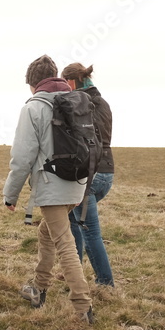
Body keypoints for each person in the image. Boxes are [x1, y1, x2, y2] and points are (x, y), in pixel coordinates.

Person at [3, 55, 94, 323]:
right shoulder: (76, 101)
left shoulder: (33, 108)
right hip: (76, 183)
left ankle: (82, 307)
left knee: (64, 243)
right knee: (47, 233)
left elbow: (22, 158)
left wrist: (10, 194)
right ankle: (38, 288)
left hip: (52, 185)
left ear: (33, 84)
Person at [61, 63, 115, 288]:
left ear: (71, 82)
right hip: (107, 173)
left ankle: (106, 284)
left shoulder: (79, 105)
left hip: (89, 176)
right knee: (75, 222)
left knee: (90, 231)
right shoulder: (103, 103)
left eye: (64, 83)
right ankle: (75, 276)